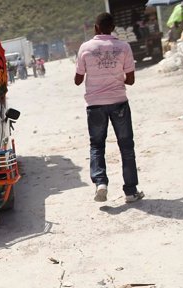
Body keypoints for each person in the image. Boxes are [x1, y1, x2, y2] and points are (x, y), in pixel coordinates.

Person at [74, 12, 144, 203]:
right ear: (113, 28)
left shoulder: (85, 47)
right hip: (119, 102)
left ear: (96, 28)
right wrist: (114, 75)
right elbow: (130, 80)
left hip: (95, 105)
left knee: (97, 146)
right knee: (126, 146)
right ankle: (130, 192)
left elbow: (78, 80)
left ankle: (101, 184)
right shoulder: (124, 47)